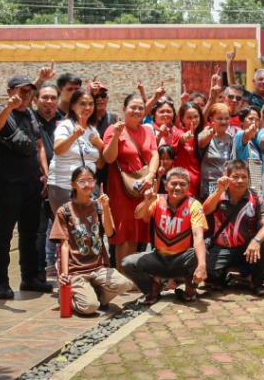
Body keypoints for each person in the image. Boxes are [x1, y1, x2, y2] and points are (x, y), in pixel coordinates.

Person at [0, 74, 52, 298]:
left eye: (28, 91)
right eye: (21, 90)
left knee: (30, 234)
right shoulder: (0, 111)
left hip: (32, 185)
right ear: (10, 91)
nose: (25, 95)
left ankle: (29, 278)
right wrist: (8, 107)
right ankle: (1, 282)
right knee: (4, 235)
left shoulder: (30, 114)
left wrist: (44, 173)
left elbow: (39, 144)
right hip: (9, 186)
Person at [50, 166, 133, 315]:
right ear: (73, 184)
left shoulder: (99, 207)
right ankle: (72, 298)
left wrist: (106, 208)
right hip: (77, 271)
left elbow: (109, 233)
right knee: (90, 308)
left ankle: (98, 297)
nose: (87, 185)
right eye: (82, 181)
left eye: (90, 181)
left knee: (125, 283)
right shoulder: (65, 211)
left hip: (98, 268)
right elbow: (64, 244)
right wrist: (65, 274)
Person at [123, 168, 208, 304]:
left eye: (182, 184)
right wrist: (147, 202)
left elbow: (198, 236)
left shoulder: (194, 205)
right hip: (159, 259)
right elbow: (138, 215)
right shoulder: (157, 200)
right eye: (173, 184)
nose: (177, 187)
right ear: (166, 185)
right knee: (127, 263)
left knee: (200, 255)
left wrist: (202, 266)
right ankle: (153, 289)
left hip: (181, 260)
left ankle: (190, 289)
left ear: (188, 187)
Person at [102, 94, 159, 271]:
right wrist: (116, 136)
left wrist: (151, 175)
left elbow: (155, 154)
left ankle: (130, 274)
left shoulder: (148, 130)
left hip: (143, 188)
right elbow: (108, 158)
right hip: (121, 189)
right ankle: (121, 275)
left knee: (136, 232)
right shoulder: (113, 129)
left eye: (140, 107)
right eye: (133, 107)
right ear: (124, 109)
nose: (137, 111)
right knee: (124, 234)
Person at [201, 160, 264, 296]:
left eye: (244, 177)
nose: (240, 180)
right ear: (227, 177)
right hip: (222, 249)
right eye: (235, 177)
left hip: (246, 250)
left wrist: (257, 240)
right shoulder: (219, 195)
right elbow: (205, 210)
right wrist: (219, 189)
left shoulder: (256, 199)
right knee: (209, 275)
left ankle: (256, 284)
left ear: (249, 179)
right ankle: (222, 276)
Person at [49, 88, 106, 213]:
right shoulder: (66, 126)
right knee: (67, 229)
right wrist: (73, 136)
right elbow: (58, 150)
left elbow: (100, 164)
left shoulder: (93, 131)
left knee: (85, 230)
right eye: (82, 103)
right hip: (63, 186)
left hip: (86, 189)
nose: (87, 107)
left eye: (91, 104)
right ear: (73, 106)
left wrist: (101, 146)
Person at [34, 83, 61, 279]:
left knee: (60, 224)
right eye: (44, 97)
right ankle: (37, 271)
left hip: (60, 183)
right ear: (36, 100)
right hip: (36, 183)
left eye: (53, 97)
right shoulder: (29, 119)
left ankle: (59, 264)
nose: (49, 101)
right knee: (38, 229)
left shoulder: (65, 121)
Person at [198, 103, 234, 201]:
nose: (223, 121)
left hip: (227, 186)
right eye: (219, 118)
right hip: (208, 187)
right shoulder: (205, 136)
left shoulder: (231, 138)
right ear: (211, 119)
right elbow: (200, 144)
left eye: (226, 118)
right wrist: (209, 136)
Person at [173, 102, 205, 197]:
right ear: (182, 119)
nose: (193, 120)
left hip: (198, 186)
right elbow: (181, 138)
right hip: (181, 186)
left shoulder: (203, 135)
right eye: (189, 117)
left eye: (196, 116)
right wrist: (185, 138)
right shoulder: (178, 133)